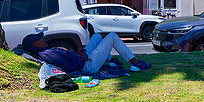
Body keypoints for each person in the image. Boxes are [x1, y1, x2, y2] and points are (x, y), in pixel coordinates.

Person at [21, 32, 151, 76]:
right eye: (40, 39)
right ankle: (136, 64)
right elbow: (67, 67)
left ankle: (110, 61)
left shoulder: (45, 51)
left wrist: (78, 54)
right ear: (35, 45)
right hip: (86, 66)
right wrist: (82, 58)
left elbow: (66, 58)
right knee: (112, 37)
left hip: (81, 59)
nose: (43, 40)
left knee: (96, 36)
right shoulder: (47, 54)